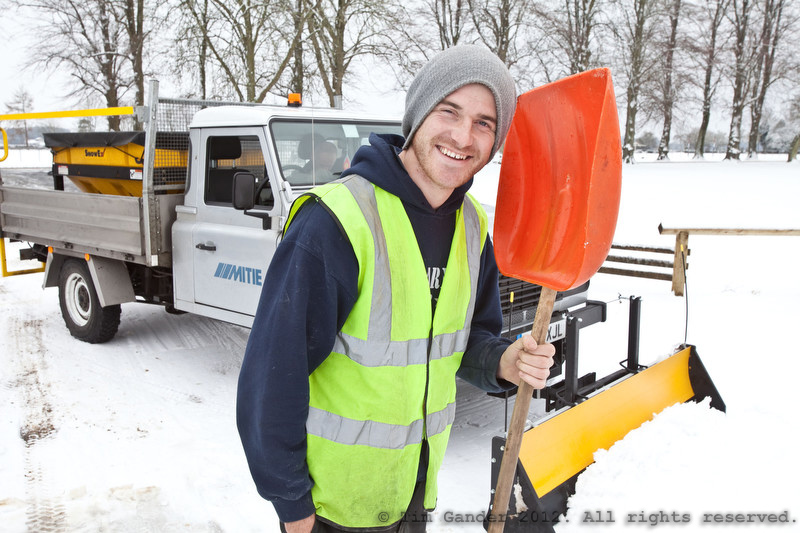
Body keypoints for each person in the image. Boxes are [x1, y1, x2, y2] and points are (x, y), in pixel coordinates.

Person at [237, 45, 555, 533]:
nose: (462, 136)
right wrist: (291, 506)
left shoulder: (472, 229)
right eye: (449, 111)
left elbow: (464, 341)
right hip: (331, 510)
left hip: (412, 497)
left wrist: (502, 362)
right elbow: (271, 379)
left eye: (484, 123)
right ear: (417, 115)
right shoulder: (335, 222)